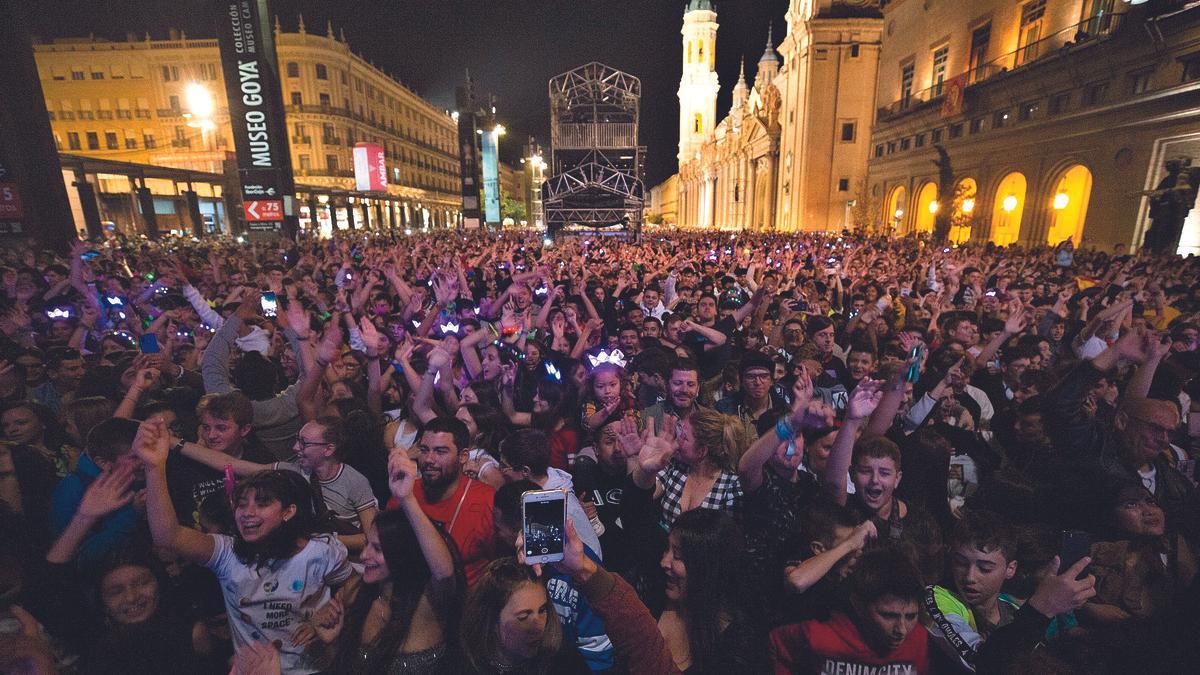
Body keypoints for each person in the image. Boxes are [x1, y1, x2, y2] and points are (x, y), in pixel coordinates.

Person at [136, 417, 355, 674]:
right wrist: (154, 468)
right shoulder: (226, 553)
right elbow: (167, 536)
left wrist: (333, 608)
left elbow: (354, 583)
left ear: (288, 512)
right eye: (242, 504)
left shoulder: (321, 551)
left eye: (262, 504)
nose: (248, 513)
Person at [313, 451, 464, 674]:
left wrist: (407, 499)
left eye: (378, 549)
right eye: (367, 545)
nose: (364, 556)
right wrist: (330, 643)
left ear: (404, 554)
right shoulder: (354, 592)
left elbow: (443, 572)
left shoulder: (430, 600)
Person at [174, 416, 379, 554]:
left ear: (328, 449)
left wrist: (322, 542)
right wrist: (176, 444)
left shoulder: (355, 481)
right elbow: (231, 464)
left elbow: (371, 538)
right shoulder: (292, 471)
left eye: (304, 443)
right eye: (298, 440)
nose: (295, 447)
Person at [493, 479, 615, 672]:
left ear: (519, 526)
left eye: (499, 527)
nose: (497, 534)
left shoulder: (579, 563)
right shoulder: (508, 569)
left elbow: (598, 653)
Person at [769, 548, 933, 674]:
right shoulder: (821, 635)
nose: (902, 630)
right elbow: (776, 645)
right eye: (888, 615)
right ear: (858, 604)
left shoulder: (919, 639)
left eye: (911, 616)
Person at [404, 416, 496, 586]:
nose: (429, 459)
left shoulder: (487, 501)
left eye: (440, 451)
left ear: (463, 456)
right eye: (424, 450)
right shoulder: (404, 494)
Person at [457, 557, 591, 674]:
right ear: (491, 619)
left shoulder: (565, 664)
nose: (538, 627)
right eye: (523, 617)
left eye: (542, 610)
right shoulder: (464, 664)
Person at [50, 417, 143, 566]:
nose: (146, 460)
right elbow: (80, 557)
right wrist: (132, 513)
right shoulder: (70, 491)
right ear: (103, 462)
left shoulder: (141, 476)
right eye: (135, 457)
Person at [496, 428, 602, 558]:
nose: (499, 470)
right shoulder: (546, 483)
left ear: (525, 471)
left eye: (503, 466)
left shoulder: (557, 509)